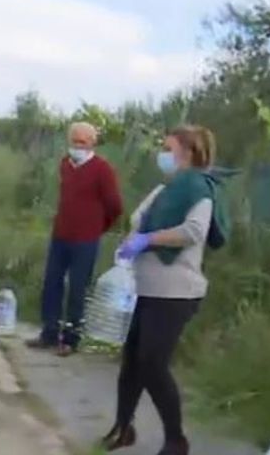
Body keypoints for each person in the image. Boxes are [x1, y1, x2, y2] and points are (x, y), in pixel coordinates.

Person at [101, 125, 230, 455]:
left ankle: (176, 439)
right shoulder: (165, 190)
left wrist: (148, 239)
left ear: (187, 152)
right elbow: (138, 220)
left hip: (176, 293)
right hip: (144, 287)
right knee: (132, 363)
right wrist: (133, 241)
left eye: (167, 147)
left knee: (153, 364)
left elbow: (194, 231)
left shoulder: (199, 189)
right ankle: (123, 427)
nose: (162, 153)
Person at [27, 122, 123, 356]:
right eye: (74, 141)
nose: (78, 146)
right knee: (52, 283)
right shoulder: (65, 165)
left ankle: (71, 338)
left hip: (86, 239)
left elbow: (115, 206)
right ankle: (49, 332)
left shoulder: (102, 169)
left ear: (92, 143)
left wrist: (98, 226)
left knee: (78, 287)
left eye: (83, 142)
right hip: (61, 234)